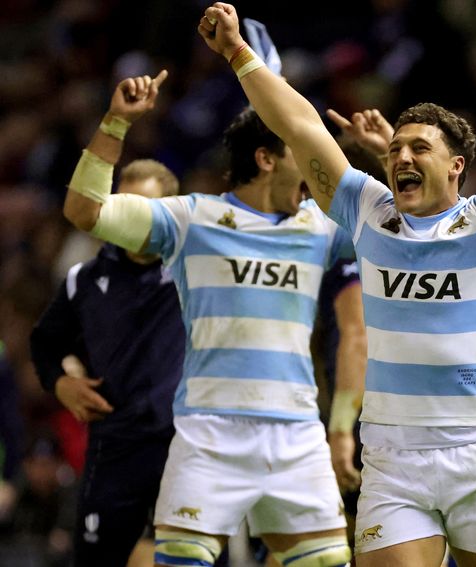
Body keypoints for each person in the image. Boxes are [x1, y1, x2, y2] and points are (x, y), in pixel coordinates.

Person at [199, 4, 476, 566]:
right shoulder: (367, 209)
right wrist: (240, 53)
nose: (401, 156)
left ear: (457, 165)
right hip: (393, 454)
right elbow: (299, 125)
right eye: (394, 150)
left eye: (419, 149)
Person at [62, 67, 363, 567]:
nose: (314, 166)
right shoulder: (188, 219)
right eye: (299, 151)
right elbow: (83, 211)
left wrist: (378, 151)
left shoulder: (320, 228)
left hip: (296, 433)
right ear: (265, 159)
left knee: (329, 562)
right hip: (210, 433)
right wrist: (115, 122)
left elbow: (398, 228)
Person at [29, 158, 191, 566]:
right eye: (124, 206)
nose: (132, 221)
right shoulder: (84, 278)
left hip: (188, 446)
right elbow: (45, 343)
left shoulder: (198, 270)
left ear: (172, 212)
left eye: (147, 209)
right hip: (114, 447)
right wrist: (62, 382)